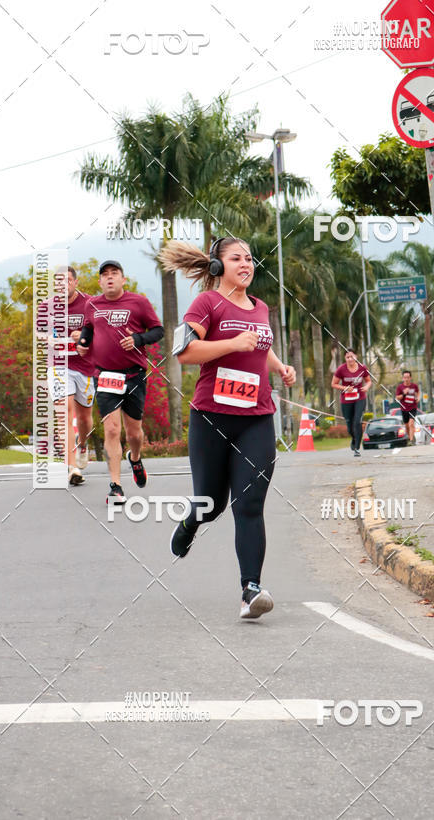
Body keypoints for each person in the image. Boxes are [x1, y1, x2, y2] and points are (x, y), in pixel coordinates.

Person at [160, 236, 296, 620]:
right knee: (211, 503)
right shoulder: (206, 304)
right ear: (218, 267)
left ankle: (250, 590)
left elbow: (260, 345)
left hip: (257, 418)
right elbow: (185, 353)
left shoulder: (260, 307)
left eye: (249, 258)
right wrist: (233, 343)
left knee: (249, 504)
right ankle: (190, 523)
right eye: (236, 258)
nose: (246, 264)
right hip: (212, 418)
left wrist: (279, 367)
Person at [77, 260, 164, 504]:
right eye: (105, 274)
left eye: (114, 273)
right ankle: (116, 486)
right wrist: (83, 342)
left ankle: (135, 458)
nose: (109, 277)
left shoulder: (139, 302)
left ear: (123, 279)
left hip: (133, 375)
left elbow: (158, 331)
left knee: (134, 433)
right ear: (99, 282)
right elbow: (88, 327)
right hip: (105, 376)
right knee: (112, 429)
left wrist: (138, 339)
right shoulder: (92, 304)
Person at [46, 267, 96, 486]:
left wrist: (84, 335)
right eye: (58, 281)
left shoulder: (90, 304)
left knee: (84, 418)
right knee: (63, 412)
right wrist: (47, 338)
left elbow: (101, 331)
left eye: (66, 280)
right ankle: (72, 467)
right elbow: (40, 332)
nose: (62, 284)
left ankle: (82, 444)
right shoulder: (47, 307)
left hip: (85, 367)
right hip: (58, 365)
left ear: (75, 282)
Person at [331, 348, 371, 456]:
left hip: (360, 398)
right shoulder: (341, 369)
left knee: (357, 421)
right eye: (347, 357)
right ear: (345, 358)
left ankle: (357, 448)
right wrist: (345, 388)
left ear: (356, 357)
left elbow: (368, 381)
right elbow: (333, 384)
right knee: (349, 425)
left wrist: (366, 387)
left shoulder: (362, 368)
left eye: (352, 356)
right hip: (346, 400)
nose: (350, 359)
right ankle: (354, 438)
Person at [395, 369, 419, 444]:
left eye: (408, 377)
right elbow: (397, 398)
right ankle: (410, 437)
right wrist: (404, 393)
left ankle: (411, 440)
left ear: (410, 378)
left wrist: (418, 398)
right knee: (407, 426)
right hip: (404, 409)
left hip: (413, 408)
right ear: (403, 378)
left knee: (411, 423)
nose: (406, 379)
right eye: (405, 377)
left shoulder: (414, 386)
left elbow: (417, 393)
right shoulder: (400, 387)